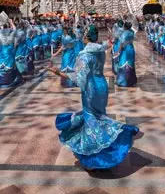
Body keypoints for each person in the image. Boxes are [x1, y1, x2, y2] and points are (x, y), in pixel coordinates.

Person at [48, 25, 139, 170]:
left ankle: (95, 156)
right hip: (102, 85)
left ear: (86, 37)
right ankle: (102, 148)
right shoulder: (100, 50)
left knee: (92, 119)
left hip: (91, 88)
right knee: (99, 115)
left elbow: (79, 78)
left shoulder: (85, 55)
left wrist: (58, 73)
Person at [0, 19, 23, 89]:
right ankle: (12, 80)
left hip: (2, 51)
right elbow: (15, 29)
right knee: (11, 64)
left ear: (2, 27)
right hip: (10, 50)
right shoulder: (12, 32)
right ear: (8, 26)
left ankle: (0, 81)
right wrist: (12, 22)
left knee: (2, 65)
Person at [115, 22, 137, 87]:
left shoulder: (123, 34)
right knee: (131, 64)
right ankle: (131, 81)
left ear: (125, 27)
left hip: (125, 51)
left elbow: (122, 44)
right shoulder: (132, 33)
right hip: (131, 49)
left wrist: (118, 51)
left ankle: (122, 81)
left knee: (123, 63)